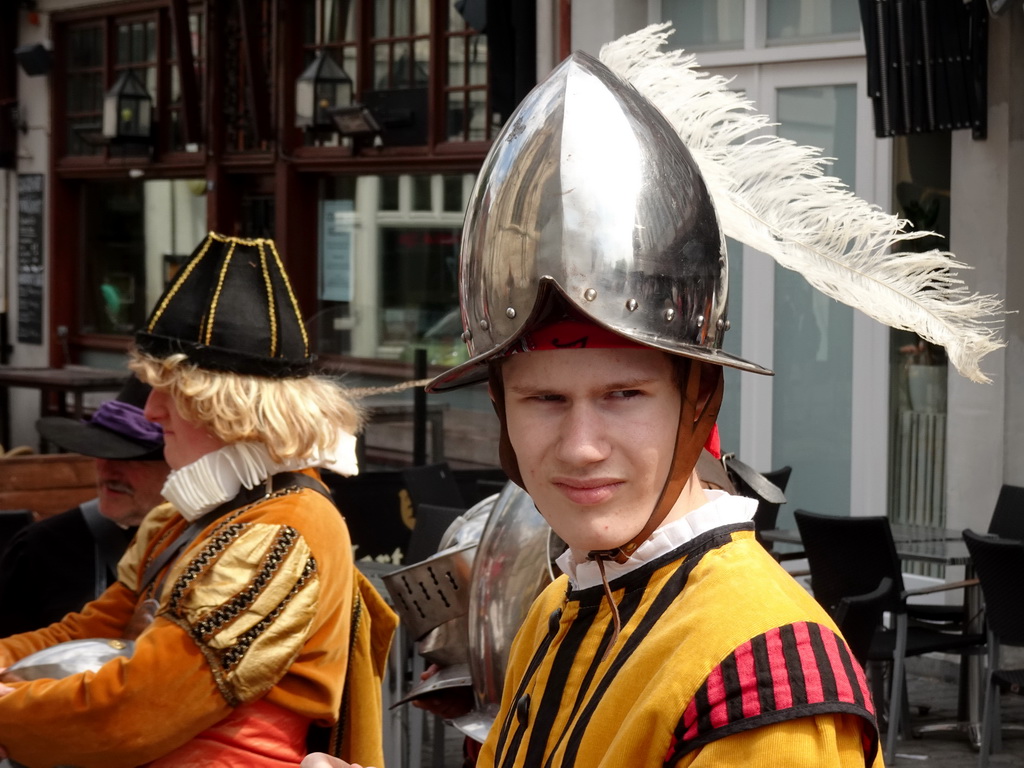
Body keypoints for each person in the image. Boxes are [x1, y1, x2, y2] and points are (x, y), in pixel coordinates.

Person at [307, 48, 884, 768]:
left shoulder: (760, 677)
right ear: (502, 407)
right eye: (545, 399)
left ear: (697, 400)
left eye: (623, 396)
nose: (581, 446)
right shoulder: (560, 604)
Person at [0, 232, 397, 767]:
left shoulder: (282, 532)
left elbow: (137, 712)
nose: (152, 412)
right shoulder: (190, 514)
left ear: (232, 409)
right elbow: (96, 630)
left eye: (173, 393)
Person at [0, 375, 169, 636]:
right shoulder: (41, 549)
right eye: (101, 451)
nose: (107, 468)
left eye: (132, 458)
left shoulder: (217, 543)